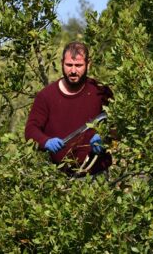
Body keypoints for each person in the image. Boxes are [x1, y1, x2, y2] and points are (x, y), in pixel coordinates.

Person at [25, 41, 113, 175]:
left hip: (97, 176)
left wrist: (104, 137)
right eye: (69, 65)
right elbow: (31, 130)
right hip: (59, 178)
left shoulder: (100, 92)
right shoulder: (46, 96)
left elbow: (117, 125)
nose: (73, 71)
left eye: (78, 65)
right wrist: (45, 141)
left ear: (88, 64)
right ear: (62, 63)